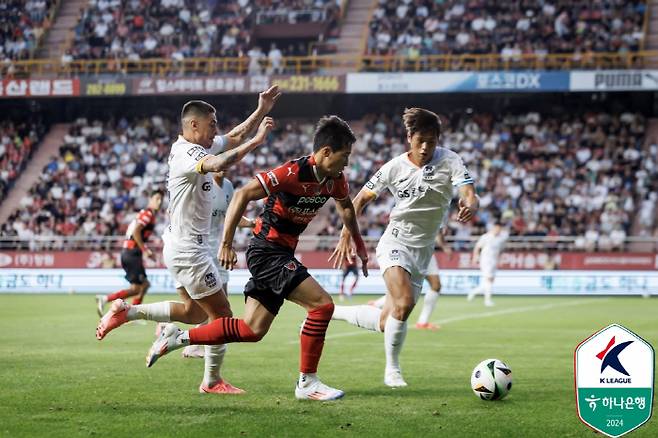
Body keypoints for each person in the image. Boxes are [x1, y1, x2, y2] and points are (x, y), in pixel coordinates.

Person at [144, 116, 368, 401]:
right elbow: (242, 194)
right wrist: (226, 244)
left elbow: (347, 208)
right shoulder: (292, 172)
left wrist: (358, 244)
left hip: (280, 253)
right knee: (322, 306)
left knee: (252, 329)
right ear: (326, 152)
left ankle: (179, 339)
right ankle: (307, 383)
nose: (347, 163)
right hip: (267, 251)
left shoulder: (335, 180)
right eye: (344, 156)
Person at [96, 86, 281, 396]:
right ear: (194, 125)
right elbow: (218, 163)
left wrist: (260, 109)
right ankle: (210, 380)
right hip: (189, 250)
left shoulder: (197, 146)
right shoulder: (187, 153)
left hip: (182, 246)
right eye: (212, 124)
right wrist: (257, 141)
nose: (216, 131)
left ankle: (127, 312)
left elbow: (232, 138)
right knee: (222, 317)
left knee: (194, 312)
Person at [331, 108, 478, 387]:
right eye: (420, 140)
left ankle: (333, 312)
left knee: (390, 321)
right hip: (395, 242)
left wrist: (470, 204)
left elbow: (469, 192)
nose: (425, 147)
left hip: (423, 251)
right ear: (409, 136)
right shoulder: (394, 167)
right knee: (405, 303)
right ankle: (393, 370)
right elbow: (360, 199)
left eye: (432, 142)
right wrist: (345, 234)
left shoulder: (451, 161)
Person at [180, 170, 256, 359]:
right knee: (204, 306)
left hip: (219, 250)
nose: (222, 167)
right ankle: (183, 336)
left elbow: (233, 216)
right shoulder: (200, 183)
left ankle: (193, 342)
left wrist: (254, 223)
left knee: (220, 303)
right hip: (200, 250)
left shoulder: (228, 186)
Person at [95, 190, 163, 316]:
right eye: (156, 198)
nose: (159, 202)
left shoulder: (147, 214)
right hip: (132, 253)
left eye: (161, 199)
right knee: (137, 288)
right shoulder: (147, 214)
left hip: (130, 252)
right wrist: (145, 250)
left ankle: (132, 313)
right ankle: (106, 299)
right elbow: (136, 232)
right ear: (150, 199)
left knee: (144, 285)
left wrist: (145, 250)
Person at [368, 229, 452, 330]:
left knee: (436, 285)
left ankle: (423, 322)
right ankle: (377, 304)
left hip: (427, 249)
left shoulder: (441, 214)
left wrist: (444, 246)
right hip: (409, 247)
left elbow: (438, 229)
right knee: (406, 287)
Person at [467, 221, 508, 307]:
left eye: (500, 229)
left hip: (494, 261)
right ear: (493, 228)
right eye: (497, 228)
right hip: (486, 260)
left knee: (489, 281)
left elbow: (500, 250)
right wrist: (475, 257)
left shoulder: (500, 239)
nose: (498, 230)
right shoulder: (486, 237)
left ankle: (473, 292)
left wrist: (499, 259)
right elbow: (478, 247)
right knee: (488, 279)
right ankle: (487, 300)